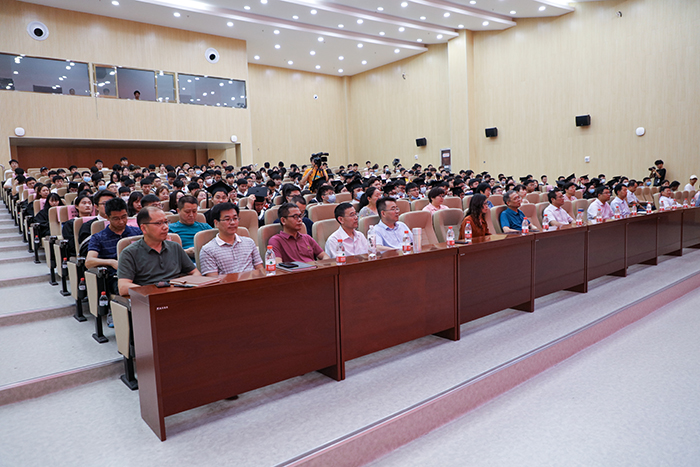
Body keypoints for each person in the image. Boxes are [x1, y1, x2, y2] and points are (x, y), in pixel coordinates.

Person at [118, 207, 200, 296]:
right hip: (150, 297)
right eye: (158, 223)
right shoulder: (129, 253)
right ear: (144, 228)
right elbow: (123, 287)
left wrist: (185, 285)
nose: (165, 227)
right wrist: (152, 292)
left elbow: (195, 272)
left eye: (166, 222)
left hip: (178, 293)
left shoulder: (175, 247)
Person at [85, 198, 142, 296]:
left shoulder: (137, 232)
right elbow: (89, 262)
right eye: (116, 218)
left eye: (124, 217)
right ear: (107, 217)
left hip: (141, 273)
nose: (121, 222)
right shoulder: (98, 237)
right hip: (117, 278)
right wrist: (111, 262)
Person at [199, 202, 263, 276]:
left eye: (235, 218)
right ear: (216, 223)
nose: (232, 223)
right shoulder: (208, 250)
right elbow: (213, 280)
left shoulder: (249, 242)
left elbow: (260, 270)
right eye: (227, 219)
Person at [167, 195, 212, 259]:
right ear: (178, 211)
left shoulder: (205, 227)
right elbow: (168, 252)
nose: (191, 215)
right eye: (187, 212)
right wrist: (185, 252)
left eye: (194, 211)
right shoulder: (170, 229)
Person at [61, 193, 94, 258]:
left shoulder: (97, 222)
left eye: (90, 203)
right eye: (84, 203)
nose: (87, 205)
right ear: (76, 206)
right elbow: (71, 245)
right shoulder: (70, 224)